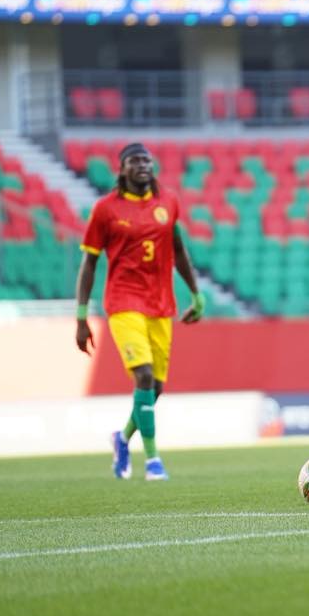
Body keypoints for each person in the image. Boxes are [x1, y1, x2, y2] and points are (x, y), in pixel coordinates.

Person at [75, 142, 205, 480]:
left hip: (160, 304)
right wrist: (81, 316)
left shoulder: (168, 202)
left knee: (155, 388)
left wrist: (196, 294)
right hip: (123, 302)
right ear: (122, 168)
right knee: (143, 376)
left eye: (147, 159)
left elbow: (178, 250)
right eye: (135, 160)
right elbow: (89, 262)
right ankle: (153, 460)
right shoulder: (106, 209)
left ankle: (122, 438)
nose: (143, 165)